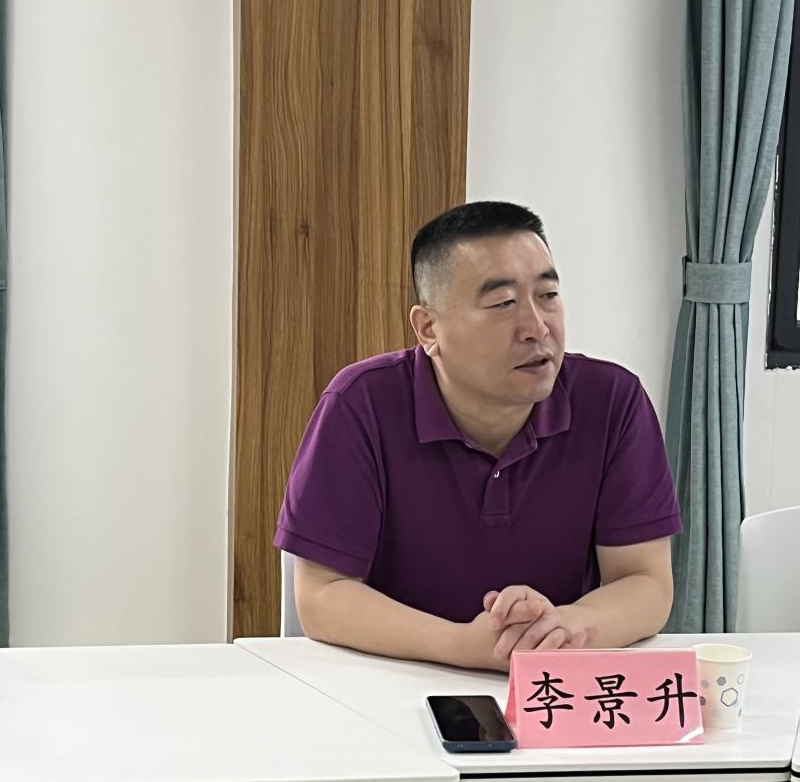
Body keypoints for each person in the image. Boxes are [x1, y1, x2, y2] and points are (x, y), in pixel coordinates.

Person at [274, 201, 681, 671]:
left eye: (548, 295)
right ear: (429, 329)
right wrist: (461, 646)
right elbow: (322, 594)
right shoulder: (361, 403)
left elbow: (646, 582)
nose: (537, 327)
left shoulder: (612, 401)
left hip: (551, 687)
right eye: (503, 303)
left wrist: (564, 629)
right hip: (393, 678)